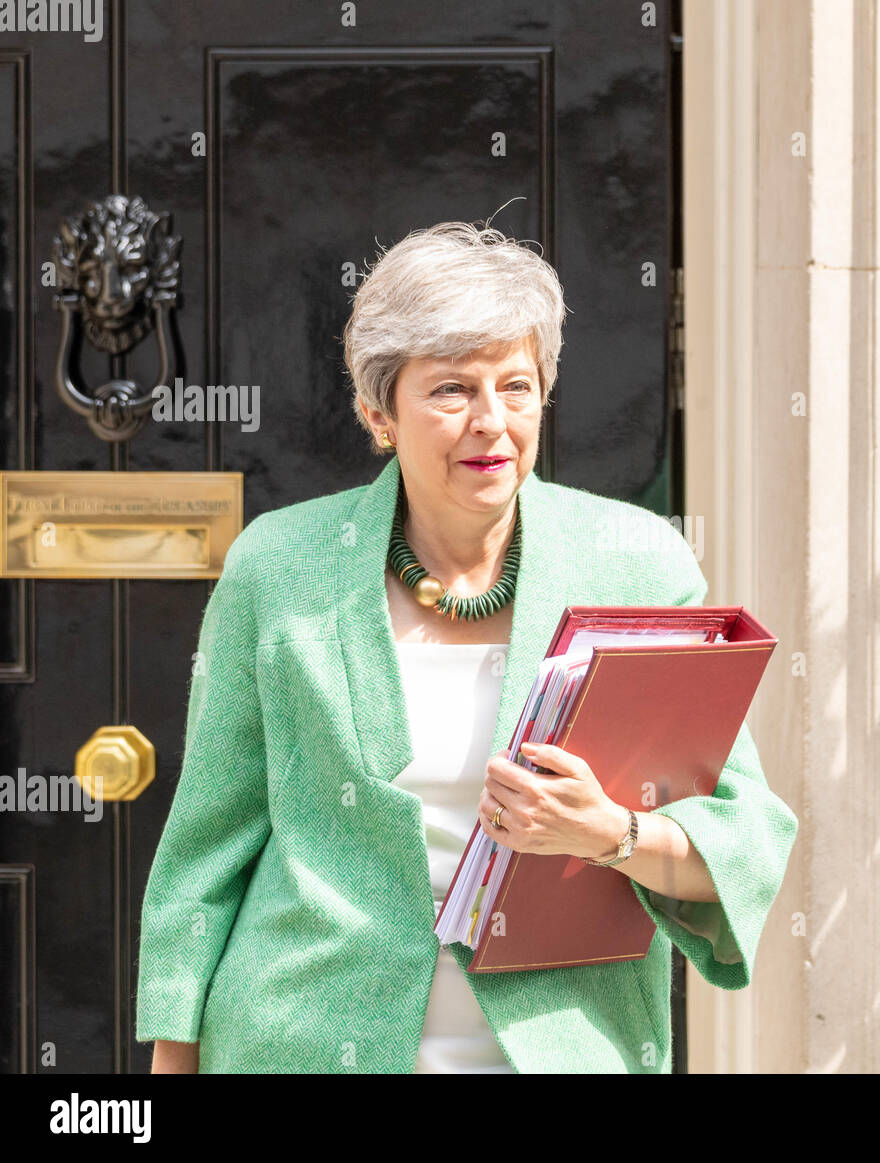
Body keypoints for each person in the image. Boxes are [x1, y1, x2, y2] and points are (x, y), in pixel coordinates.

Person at [136, 220, 798, 1073]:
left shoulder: (637, 564)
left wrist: (612, 833)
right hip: (296, 1041)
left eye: (516, 386)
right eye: (452, 390)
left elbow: (746, 839)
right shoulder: (278, 567)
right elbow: (206, 848)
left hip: (564, 1047)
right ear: (380, 412)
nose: (492, 423)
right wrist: (170, 1063)